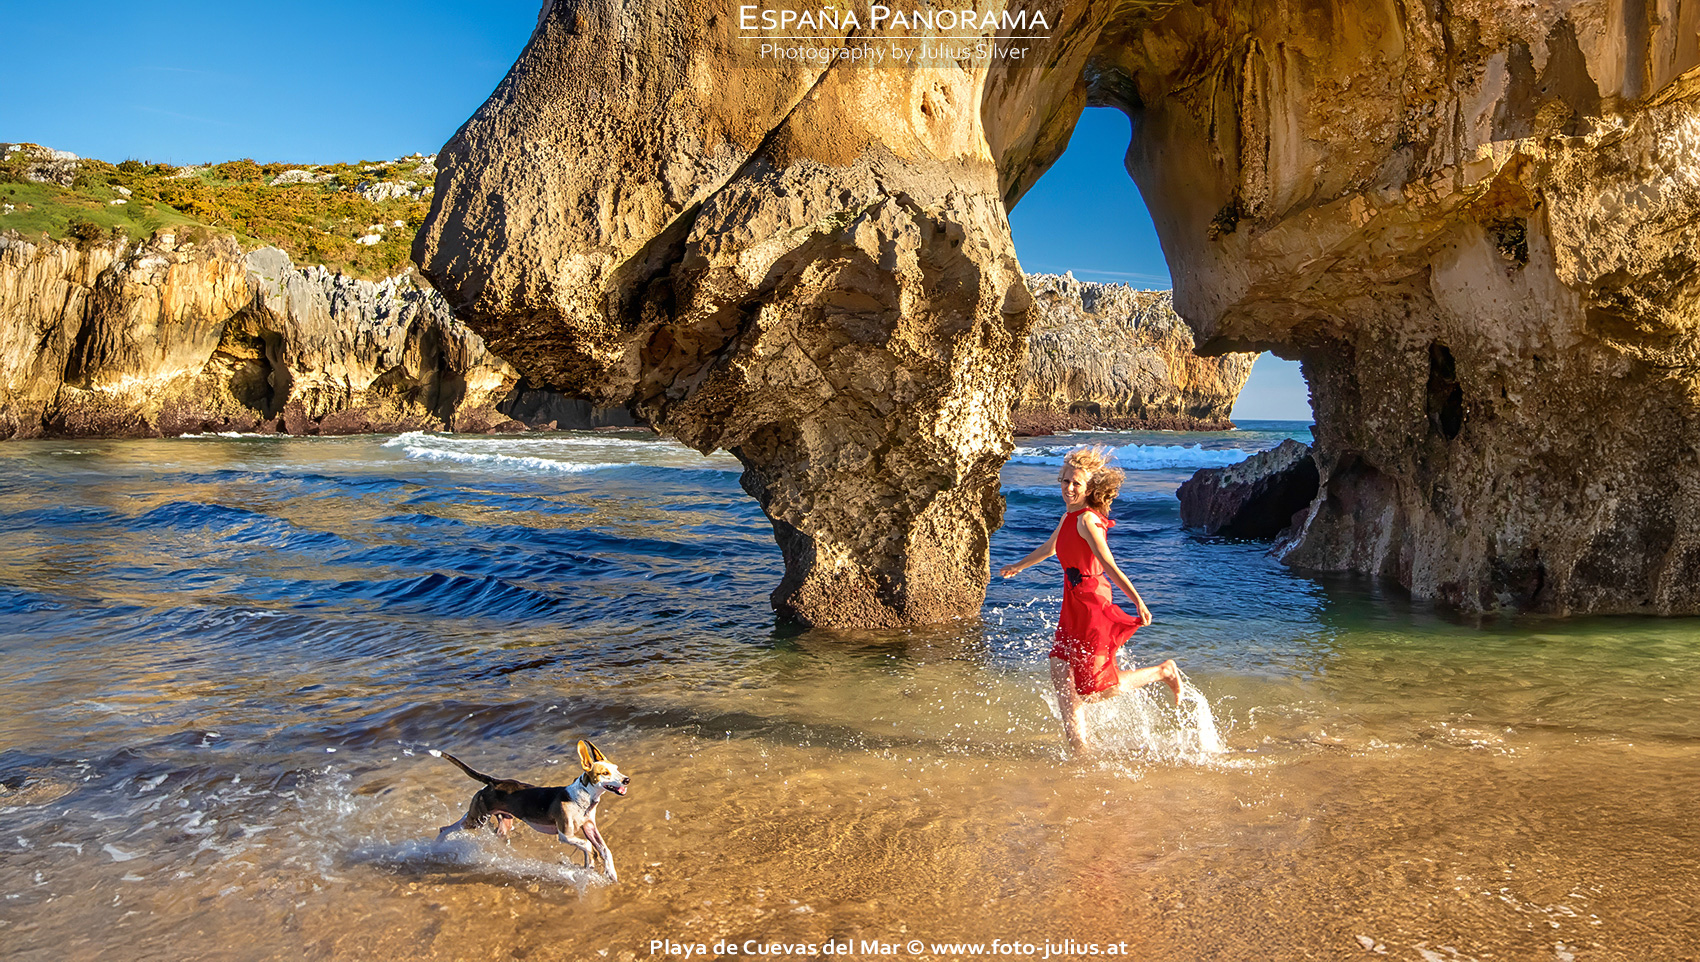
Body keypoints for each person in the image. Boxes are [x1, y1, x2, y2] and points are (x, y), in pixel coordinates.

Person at [999, 445, 1181, 753]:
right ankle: (1079, 746)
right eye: (1065, 481)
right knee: (1059, 669)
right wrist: (1019, 565)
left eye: (1077, 483)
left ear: (1089, 488)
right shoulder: (1068, 517)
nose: (1069, 488)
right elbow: (1050, 548)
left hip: (1092, 602)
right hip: (1073, 599)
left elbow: (1109, 565)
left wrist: (1137, 600)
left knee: (1094, 689)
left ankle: (1163, 672)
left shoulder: (1086, 520)